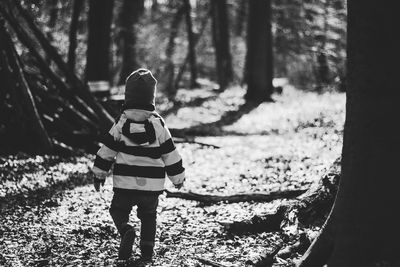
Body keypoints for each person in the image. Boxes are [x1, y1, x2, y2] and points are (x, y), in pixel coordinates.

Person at [91, 68, 185, 262]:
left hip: (124, 184)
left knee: (117, 210)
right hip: (151, 186)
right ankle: (147, 253)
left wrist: (99, 173)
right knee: (149, 216)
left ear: (128, 96)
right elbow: (170, 153)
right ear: (152, 98)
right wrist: (178, 178)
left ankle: (126, 230)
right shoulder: (159, 125)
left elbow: (107, 150)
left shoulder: (120, 123)